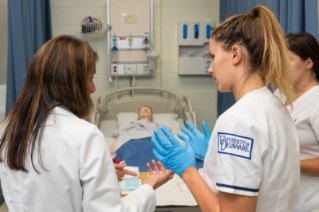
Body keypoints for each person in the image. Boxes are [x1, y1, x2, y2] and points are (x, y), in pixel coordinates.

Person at [151, 5, 300, 212]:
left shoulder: (238, 120)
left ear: (235, 55)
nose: (209, 68)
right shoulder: (276, 107)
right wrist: (214, 154)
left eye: (212, 56)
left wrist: (187, 170)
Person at [0, 35, 173, 212]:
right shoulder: (85, 135)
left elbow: (46, 186)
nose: (93, 88)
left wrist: (90, 174)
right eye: (90, 78)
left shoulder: (8, 129)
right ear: (70, 84)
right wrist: (149, 186)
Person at [274, 32, 319, 212]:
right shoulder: (279, 94)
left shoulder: (316, 101)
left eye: (289, 60)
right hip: (280, 201)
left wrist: (289, 163)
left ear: (308, 63)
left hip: (309, 204)